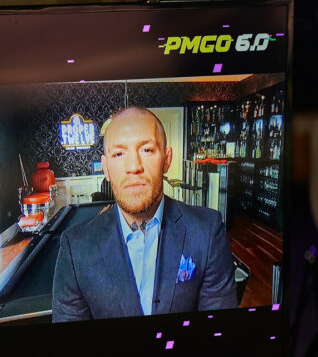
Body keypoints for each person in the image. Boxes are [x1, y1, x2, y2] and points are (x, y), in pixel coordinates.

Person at [52, 106, 237, 322]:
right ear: (106, 168)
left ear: (166, 160)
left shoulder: (207, 231)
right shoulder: (75, 248)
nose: (133, 167)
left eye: (147, 150)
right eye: (119, 153)